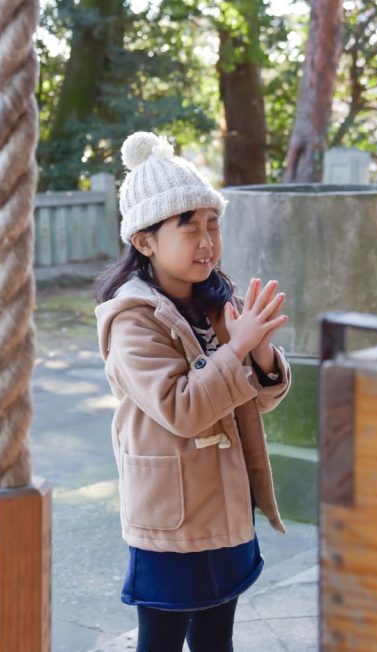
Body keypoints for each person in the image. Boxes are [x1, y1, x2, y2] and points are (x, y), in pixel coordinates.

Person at [94, 132, 292, 652]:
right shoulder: (130, 321)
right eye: (190, 228)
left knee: (215, 642)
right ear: (144, 241)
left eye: (213, 225)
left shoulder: (213, 302)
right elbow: (182, 409)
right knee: (159, 643)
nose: (207, 241)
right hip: (172, 517)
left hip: (225, 505)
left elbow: (253, 401)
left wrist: (262, 353)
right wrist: (239, 346)